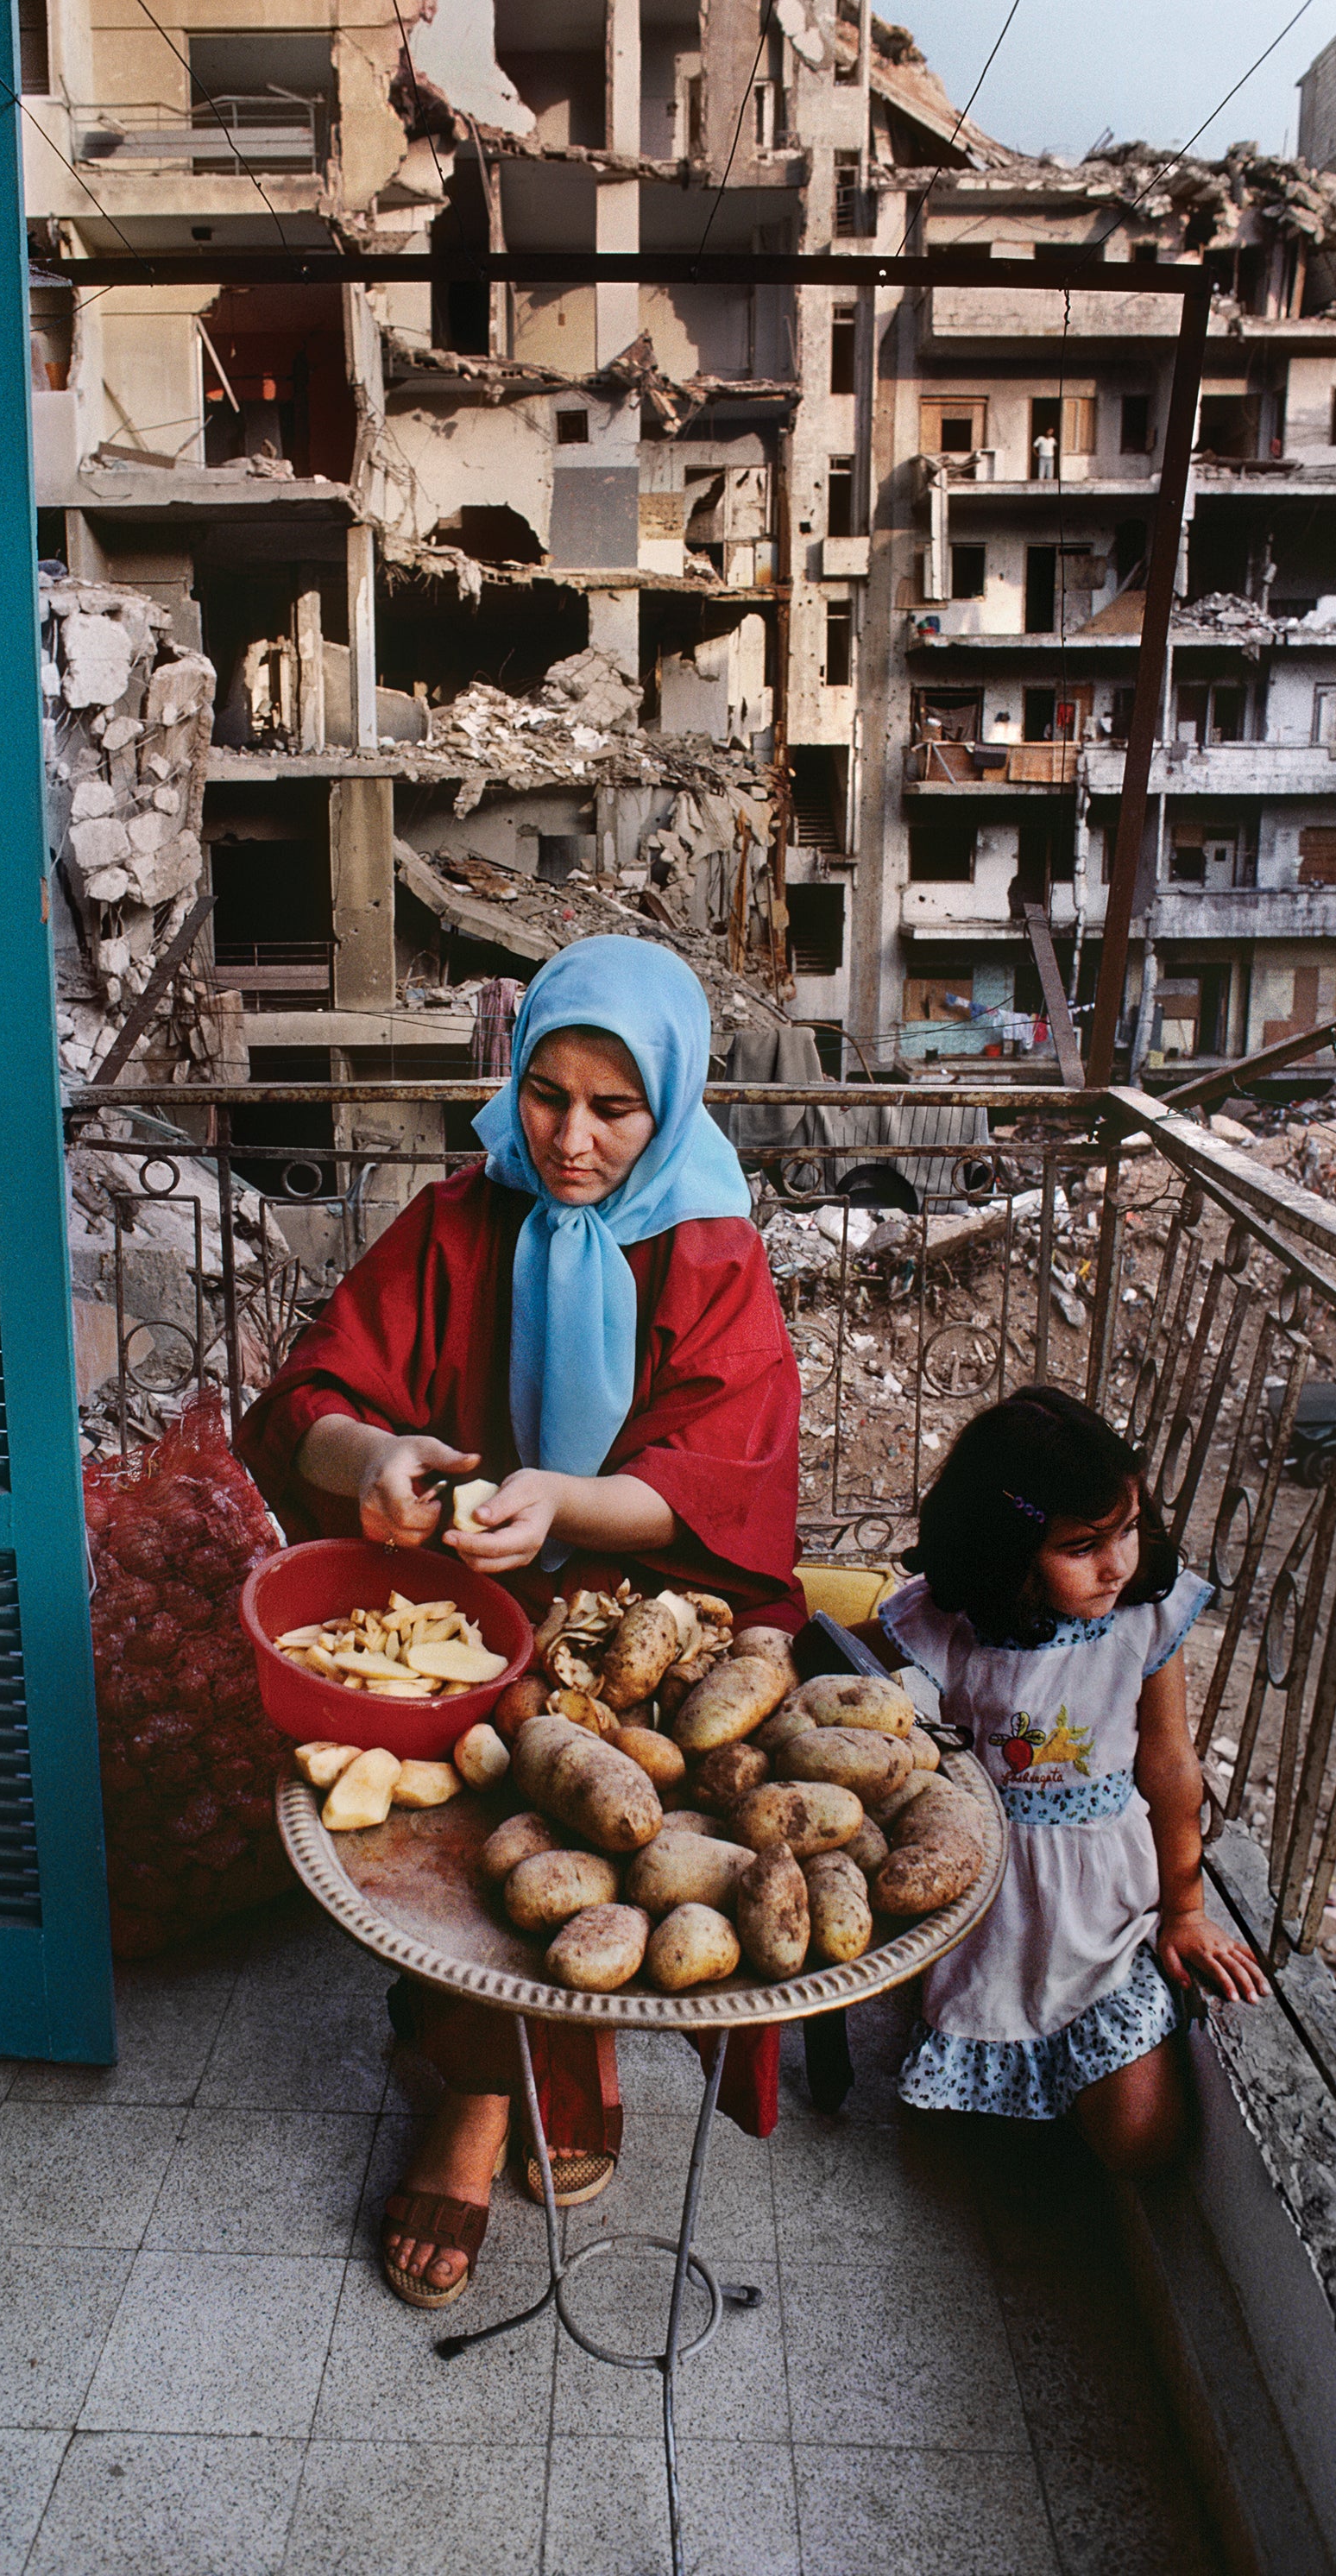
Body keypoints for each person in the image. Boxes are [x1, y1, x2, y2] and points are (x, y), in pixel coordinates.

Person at [238, 936, 804, 2305]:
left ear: (670, 1105)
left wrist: (558, 1502)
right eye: (544, 1094)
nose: (567, 1138)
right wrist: (371, 1465)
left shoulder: (711, 1252)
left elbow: (715, 1484)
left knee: (600, 1802)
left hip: (653, 1610)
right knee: (485, 1772)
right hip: (469, 1602)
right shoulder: (457, 1219)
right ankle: (496, 2092)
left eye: (615, 1110)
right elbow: (311, 1397)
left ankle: (502, 2083)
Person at [854, 1386, 1265, 2174]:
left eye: (1129, 1530)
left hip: (1107, 1907)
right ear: (1004, 1554)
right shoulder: (954, 1620)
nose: (1117, 1565)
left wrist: (1183, 1909)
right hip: (990, 1904)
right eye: (1081, 1548)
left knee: (1141, 2140)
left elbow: (1171, 1764)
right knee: (970, 2149)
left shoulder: (1145, 1617)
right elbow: (835, 1655)